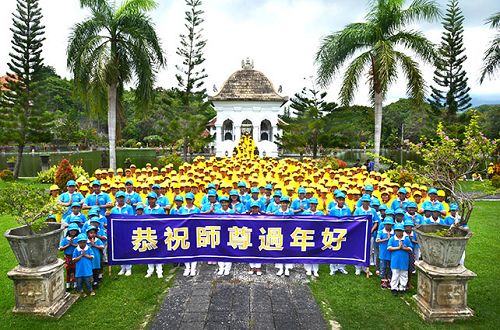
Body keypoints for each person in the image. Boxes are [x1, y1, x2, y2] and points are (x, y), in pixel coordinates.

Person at [353, 194, 379, 276]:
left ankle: (365, 268)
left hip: (370, 235)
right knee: (359, 250)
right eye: (364, 201)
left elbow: (376, 222)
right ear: (362, 202)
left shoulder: (372, 211)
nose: (366, 203)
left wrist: (371, 230)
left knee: (369, 251)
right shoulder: (358, 210)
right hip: (360, 234)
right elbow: (355, 221)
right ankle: (357, 268)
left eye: (367, 202)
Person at [143, 192, 165, 278]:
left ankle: (159, 270)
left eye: (152, 199)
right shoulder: (146, 209)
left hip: (158, 232)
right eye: (149, 199)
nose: (150, 200)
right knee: (149, 251)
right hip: (148, 232)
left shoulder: (160, 209)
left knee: (158, 251)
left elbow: (163, 221)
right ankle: (150, 270)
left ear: (156, 199)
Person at [328, 192, 351, 275]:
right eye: (339, 199)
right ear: (336, 200)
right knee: (334, 249)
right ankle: (332, 268)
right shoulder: (333, 210)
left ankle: (341, 267)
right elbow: (331, 220)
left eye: (342, 200)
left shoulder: (347, 209)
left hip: (344, 231)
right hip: (335, 231)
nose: (341, 201)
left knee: (343, 249)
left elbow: (349, 220)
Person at [387, 223, 413, 295]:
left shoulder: (406, 239)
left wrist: (404, 248)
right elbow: (389, 247)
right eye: (397, 231)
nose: (399, 232)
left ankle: (402, 287)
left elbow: (411, 248)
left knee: (404, 274)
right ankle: (394, 288)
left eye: (400, 231)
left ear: (403, 231)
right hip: (395, 260)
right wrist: (398, 248)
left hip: (404, 260)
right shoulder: (392, 239)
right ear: (395, 231)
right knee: (395, 274)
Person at [215, 196, 234, 276]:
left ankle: (227, 268)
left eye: (226, 202)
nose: (224, 204)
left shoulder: (232, 212)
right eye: (222, 202)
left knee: (228, 250)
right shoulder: (217, 212)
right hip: (220, 233)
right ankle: (221, 267)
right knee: (220, 250)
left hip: (229, 233)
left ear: (228, 203)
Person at [376, 213, 394, 289]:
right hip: (383, 253)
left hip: (391, 253)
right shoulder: (381, 232)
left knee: (390, 267)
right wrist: (386, 239)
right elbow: (377, 240)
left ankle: (389, 279)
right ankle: (383, 280)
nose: (388, 226)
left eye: (389, 224)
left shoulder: (394, 233)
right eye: (386, 224)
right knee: (383, 267)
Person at [59, 223, 80, 290]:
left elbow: (80, 246)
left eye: (75, 230)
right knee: (68, 271)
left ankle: (75, 284)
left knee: (75, 270)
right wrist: (68, 245)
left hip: (75, 257)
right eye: (71, 230)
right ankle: (68, 285)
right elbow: (60, 249)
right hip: (67, 258)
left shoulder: (78, 239)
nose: (73, 232)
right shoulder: (65, 240)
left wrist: (72, 244)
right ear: (68, 231)